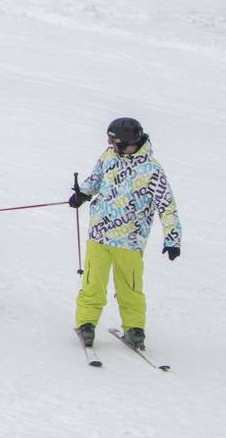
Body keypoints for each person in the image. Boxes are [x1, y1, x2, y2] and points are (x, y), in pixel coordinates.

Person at [68, 117, 182, 352]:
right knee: (92, 283)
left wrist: (172, 239)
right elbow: (95, 179)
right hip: (99, 234)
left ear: (127, 142)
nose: (110, 145)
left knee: (130, 287)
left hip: (130, 241)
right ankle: (86, 323)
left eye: (114, 141)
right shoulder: (109, 156)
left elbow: (167, 205)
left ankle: (134, 329)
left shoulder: (152, 171)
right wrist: (83, 194)